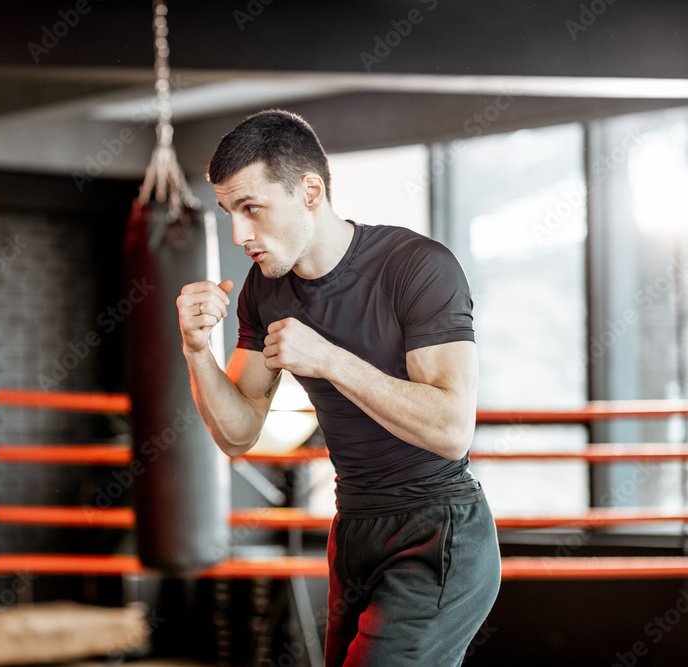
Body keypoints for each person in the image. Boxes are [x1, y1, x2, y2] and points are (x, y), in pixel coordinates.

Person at [178, 110, 500, 666]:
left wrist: (328, 359)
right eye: (230, 212)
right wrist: (195, 349)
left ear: (309, 191)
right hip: (352, 529)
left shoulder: (416, 267)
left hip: (438, 529)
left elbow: (451, 429)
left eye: (252, 208)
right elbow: (238, 433)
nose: (239, 234)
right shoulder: (264, 290)